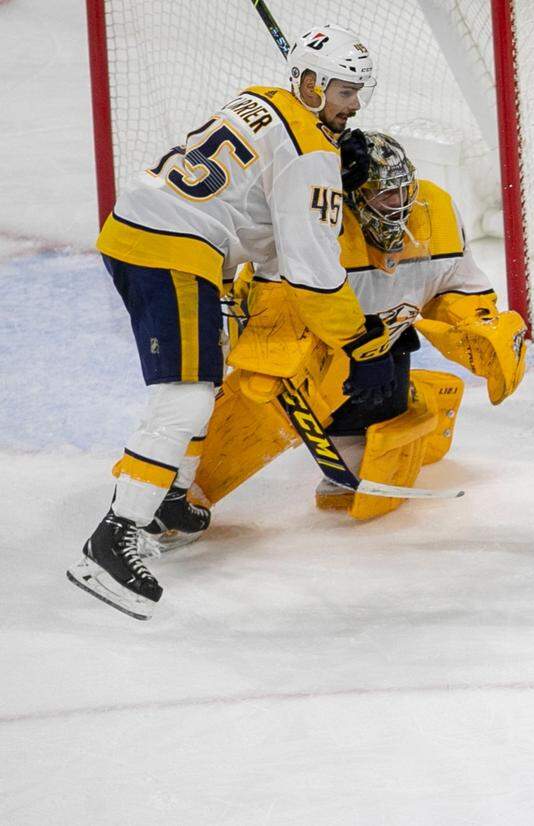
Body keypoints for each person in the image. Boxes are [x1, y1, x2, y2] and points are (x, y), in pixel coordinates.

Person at [69, 25, 388, 620]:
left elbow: (263, 226)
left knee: (203, 380)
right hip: (171, 248)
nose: (355, 104)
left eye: (359, 91)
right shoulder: (314, 153)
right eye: (345, 90)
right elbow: (313, 268)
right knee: (184, 397)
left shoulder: (261, 98)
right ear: (312, 84)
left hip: (135, 228)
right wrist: (358, 337)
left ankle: (166, 499)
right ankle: (113, 538)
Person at [185, 129, 527, 522]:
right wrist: (340, 352)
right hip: (301, 336)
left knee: (363, 472)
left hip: (382, 341)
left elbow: (455, 284)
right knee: (267, 387)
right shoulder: (316, 223)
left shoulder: (436, 211)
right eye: (384, 194)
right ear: (353, 196)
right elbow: (275, 320)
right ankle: (185, 491)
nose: (398, 204)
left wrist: (476, 326)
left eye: (402, 190)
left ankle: (397, 407)